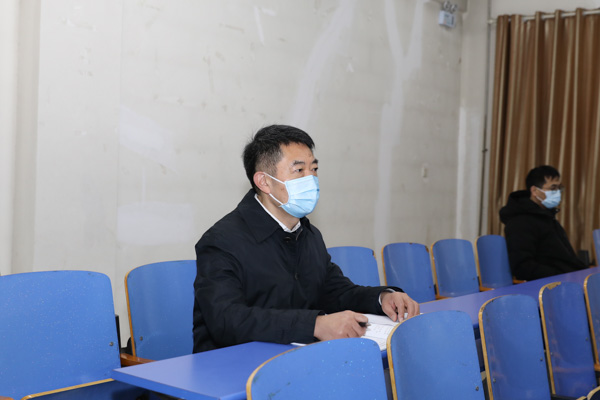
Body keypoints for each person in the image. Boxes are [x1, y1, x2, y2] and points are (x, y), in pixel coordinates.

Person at [193, 125, 419, 353]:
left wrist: (382, 297)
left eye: (314, 169)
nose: (311, 179)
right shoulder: (221, 241)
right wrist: (315, 325)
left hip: (296, 355)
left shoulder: (308, 234)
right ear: (264, 181)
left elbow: (335, 292)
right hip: (233, 362)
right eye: (299, 170)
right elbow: (226, 319)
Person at [499, 165, 587, 280]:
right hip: (550, 284)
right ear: (534, 191)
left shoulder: (548, 218)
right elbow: (523, 267)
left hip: (566, 279)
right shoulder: (520, 223)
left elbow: (566, 259)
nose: (558, 193)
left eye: (559, 188)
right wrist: (562, 277)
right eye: (553, 188)